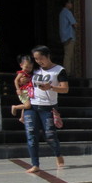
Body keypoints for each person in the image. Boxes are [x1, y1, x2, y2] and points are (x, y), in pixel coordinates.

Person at [23, 45, 69, 173]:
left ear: (48, 56)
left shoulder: (59, 70)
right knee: (31, 135)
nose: (38, 61)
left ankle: (58, 154)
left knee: (50, 135)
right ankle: (35, 164)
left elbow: (65, 89)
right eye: (36, 59)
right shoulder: (35, 69)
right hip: (31, 105)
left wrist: (51, 87)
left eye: (40, 58)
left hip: (47, 107)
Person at [11, 54, 34, 123]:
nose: (28, 69)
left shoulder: (30, 74)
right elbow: (16, 80)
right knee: (28, 105)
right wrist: (18, 89)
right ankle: (15, 107)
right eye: (26, 67)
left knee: (26, 105)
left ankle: (22, 118)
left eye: (30, 67)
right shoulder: (21, 73)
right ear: (21, 65)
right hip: (23, 92)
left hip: (28, 91)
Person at [59, 0, 76, 71]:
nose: (71, 4)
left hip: (64, 37)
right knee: (68, 56)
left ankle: (68, 71)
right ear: (66, 4)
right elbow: (74, 24)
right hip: (69, 36)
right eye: (70, 2)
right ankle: (66, 72)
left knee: (67, 55)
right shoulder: (67, 12)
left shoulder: (62, 13)